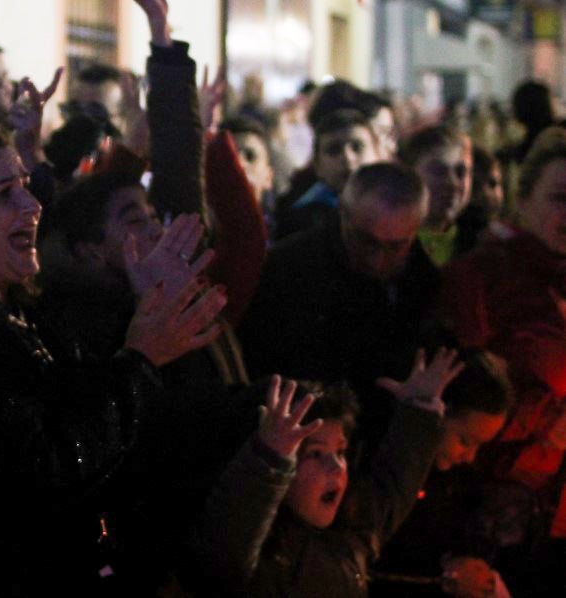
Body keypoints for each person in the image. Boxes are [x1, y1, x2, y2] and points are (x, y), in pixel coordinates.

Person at [0, 119, 227, 593]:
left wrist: (145, 312)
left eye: (26, 187)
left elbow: (116, 428)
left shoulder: (25, 312)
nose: (32, 205)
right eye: (3, 194)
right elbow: (42, 470)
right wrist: (140, 359)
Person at [182, 349, 461, 597]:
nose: (336, 466)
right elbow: (226, 553)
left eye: (340, 452)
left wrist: (420, 409)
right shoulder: (261, 557)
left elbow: (393, 484)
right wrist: (267, 459)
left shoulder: (353, 531)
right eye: (315, 454)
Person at [442, 126, 566, 590]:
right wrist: (545, 420)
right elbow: (461, 401)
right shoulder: (482, 278)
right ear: (524, 196)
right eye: (560, 197)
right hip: (503, 524)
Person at [241, 163, 441, 450]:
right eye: (366, 241)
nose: (377, 260)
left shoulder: (423, 283)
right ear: (342, 215)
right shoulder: (289, 270)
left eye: (395, 246)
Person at [372, 349, 516, 597]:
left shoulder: (456, 484)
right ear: (438, 413)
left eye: (480, 446)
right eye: (464, 440)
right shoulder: (376, 467)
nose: (470, 457)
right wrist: (443, 579)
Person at [275, 108, 376, 239]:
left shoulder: (399, 207)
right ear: (317, 166)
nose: (347, 157)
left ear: (377, 153)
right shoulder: (299, 223)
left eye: (357, 147)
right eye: (334, 150)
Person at [399, 126, 478, 266]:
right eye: (438, 172)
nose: (453, 184)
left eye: (461, 172)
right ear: (409, 174)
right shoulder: (386, 245)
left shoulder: (483, 245)